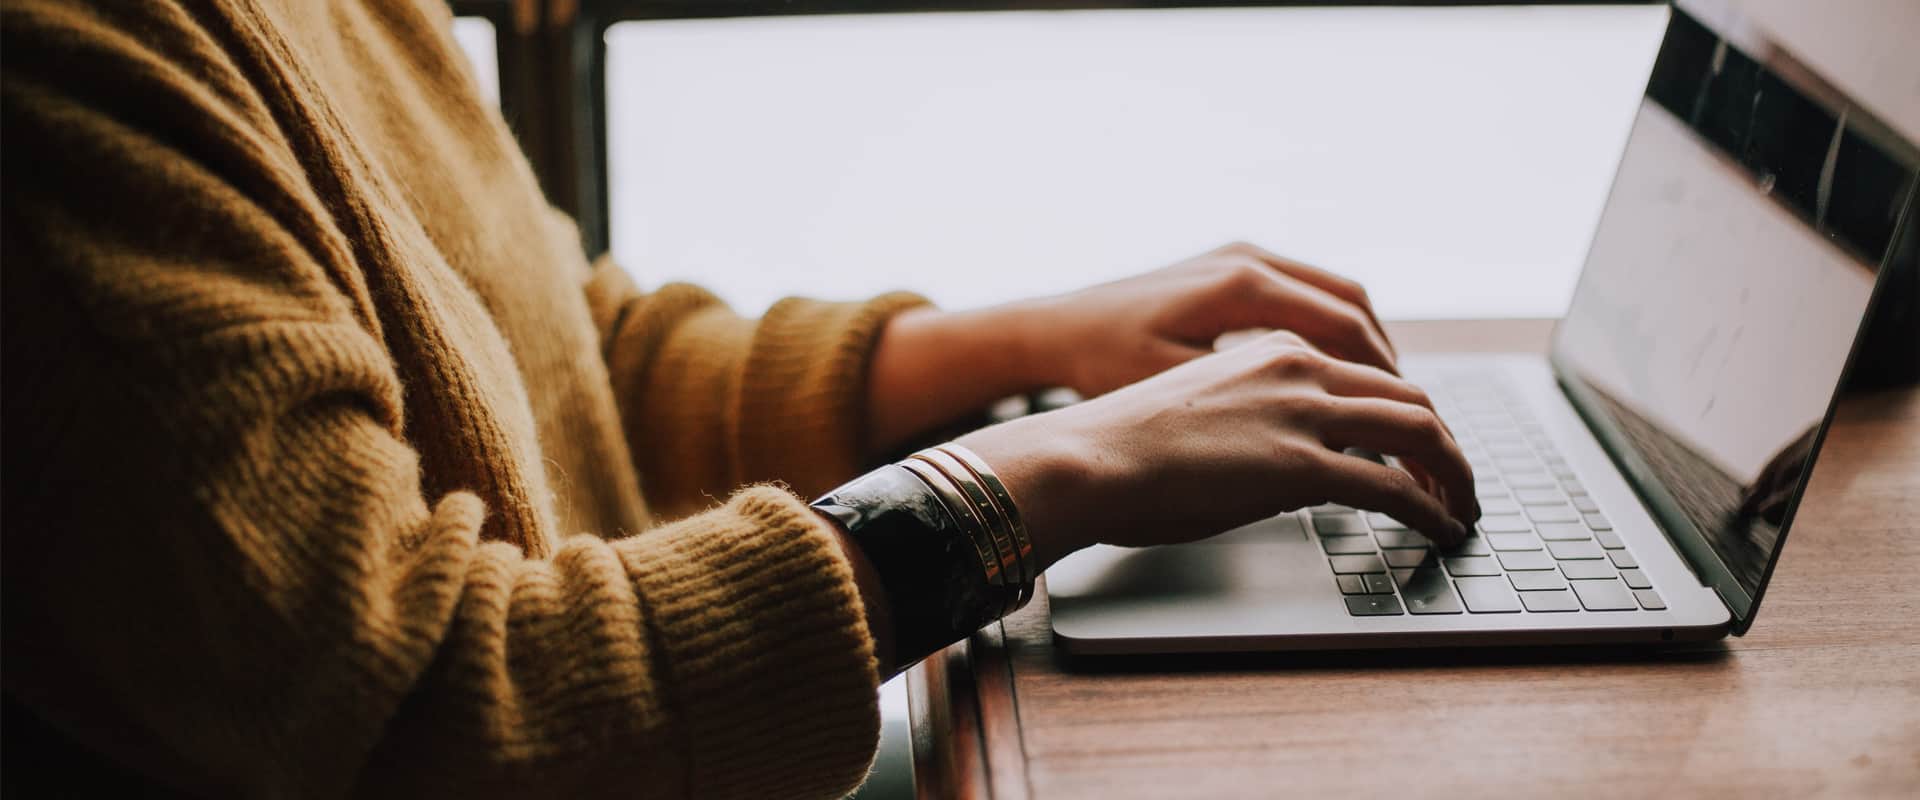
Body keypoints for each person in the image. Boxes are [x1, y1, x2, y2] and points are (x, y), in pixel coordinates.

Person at [0, 1, 1478, 797]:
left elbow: (557, 357)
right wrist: (1045, 474)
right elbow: (432, 720)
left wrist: (1028, 344)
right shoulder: (59, 72)